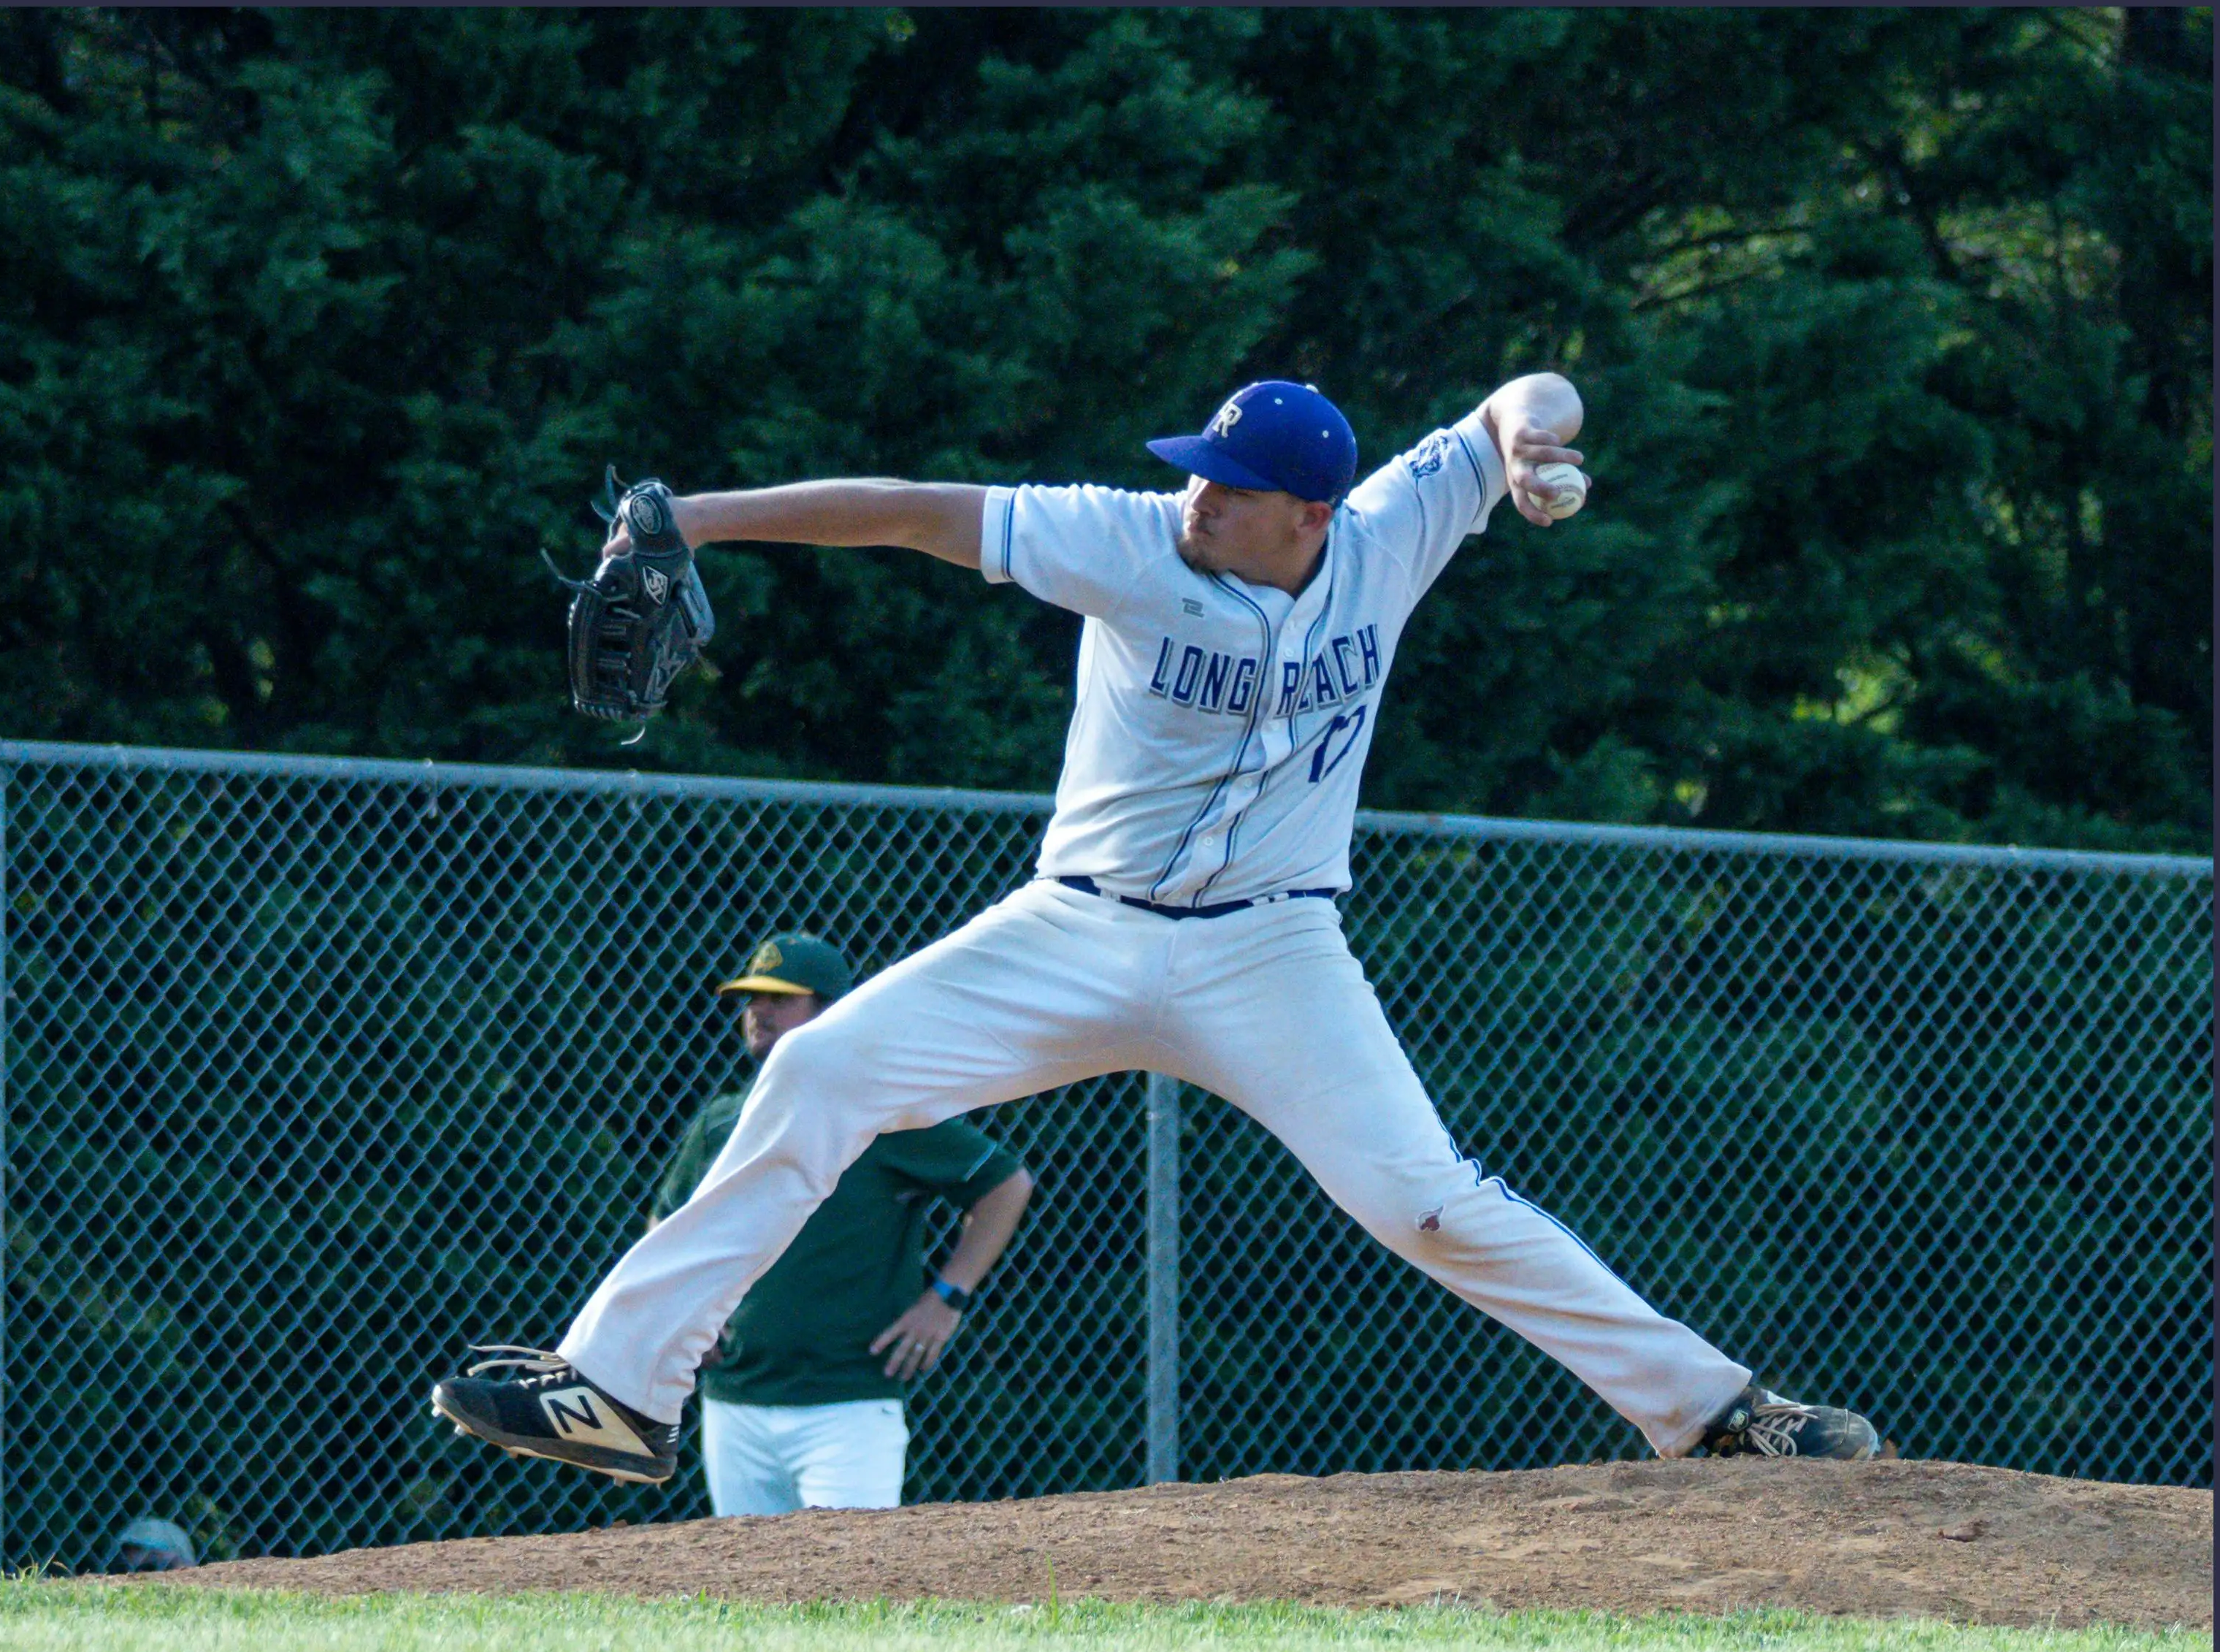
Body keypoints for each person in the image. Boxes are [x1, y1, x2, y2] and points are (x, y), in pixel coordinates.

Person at [432, 373, 1883, 1485]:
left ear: (1309, 514)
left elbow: (1528, 392)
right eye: (1198, 472)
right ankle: (621, 1389)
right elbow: (914, 510)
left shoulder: (1386, 534)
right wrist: (697, 520)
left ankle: (1713, 1412)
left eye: (1231, 490)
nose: (1197, 500)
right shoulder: (1128, 542)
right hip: (1073, 934)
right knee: (815, 1070)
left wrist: (1526, 447)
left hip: (1272, 952)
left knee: (1425, 1200)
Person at [651, 932, 1033, 1515]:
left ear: (833, 1013)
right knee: (747, 1569)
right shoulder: (724, 1119)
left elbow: (1005, 1184)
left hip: (849, 1405)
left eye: (781, 998)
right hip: (735, 1401)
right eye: (752, 998)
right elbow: (667, 1222)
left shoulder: (879, 1113)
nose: (758, 1011)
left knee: (852, 1567)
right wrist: (684, 1309)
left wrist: (947, 1297)